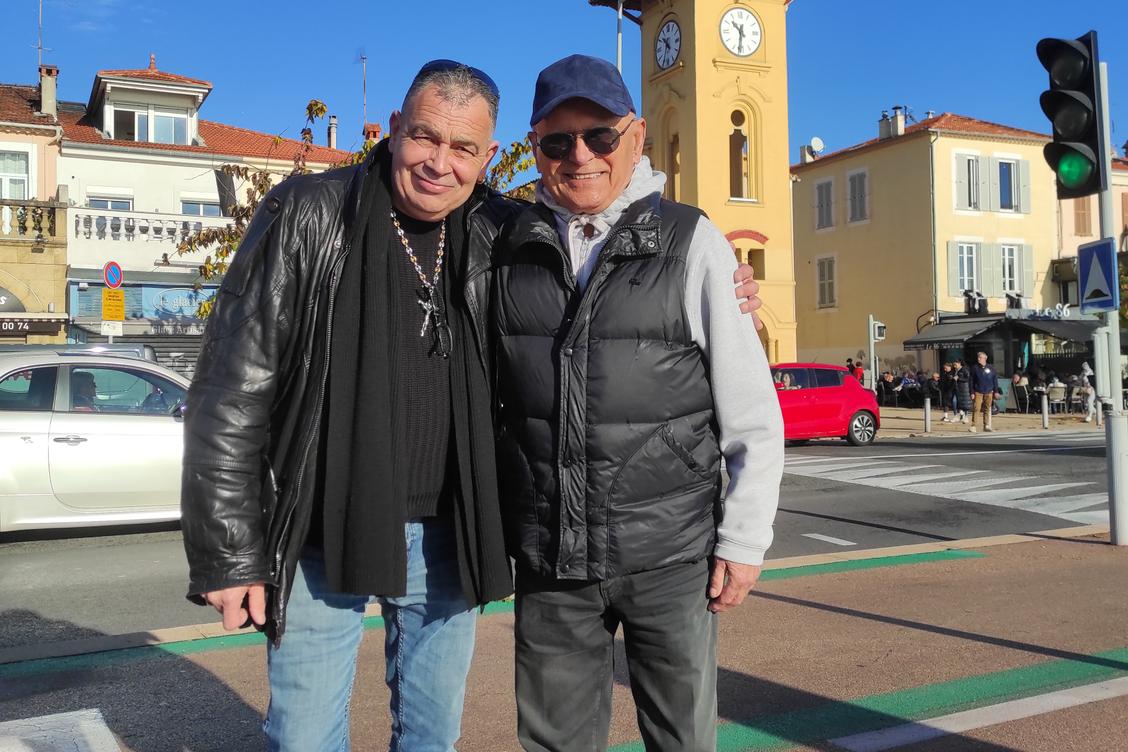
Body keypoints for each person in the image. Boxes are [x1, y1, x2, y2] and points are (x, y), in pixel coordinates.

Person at [179, 59, 763, 751]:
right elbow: (230, 390)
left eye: (463, 149)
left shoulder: (501, 228)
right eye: (426, 137)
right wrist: (228, 553)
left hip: (448, 534)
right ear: (395, 130)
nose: (439, 164)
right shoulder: (310, 213)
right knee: (304, 737)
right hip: (320, 530)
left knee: (431, 739)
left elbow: (602, 262)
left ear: (488, 157)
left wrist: (735, 288)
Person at [492, 55, 783, 752]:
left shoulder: (693, 242)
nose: (581, 156)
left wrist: (743, 541)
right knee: (556, 743)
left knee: (680, 739)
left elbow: (752, 413)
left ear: (638, 134)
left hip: (669, 557)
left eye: (600, 136)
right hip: (551, 560)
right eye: (557, 143)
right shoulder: (505, 243)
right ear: (535, 149)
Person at [969, 351, 1000, 433]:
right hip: (978, 391)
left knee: (987, 408)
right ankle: (973, 425)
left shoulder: (991, 368)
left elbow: (995, 379)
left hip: (989, 391)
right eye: (978, 357)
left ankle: (986, 425)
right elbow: (971, 381)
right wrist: (971, 392)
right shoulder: (974, 368)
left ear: (985, 358)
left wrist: (996, 391)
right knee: (976, 408)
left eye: (980, 357)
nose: (978, 359)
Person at [952, 359, 971, 423]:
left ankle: (966, 417)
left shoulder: (964, 369)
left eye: (955, 364)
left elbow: (968, 378)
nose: (954, 366)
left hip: (964, 389)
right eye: (954, 365)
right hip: (956, 388)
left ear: (959, 363)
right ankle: (958, 415)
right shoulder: (955, 370)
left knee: (965, 403)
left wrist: (959, 379)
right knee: (955, 401)